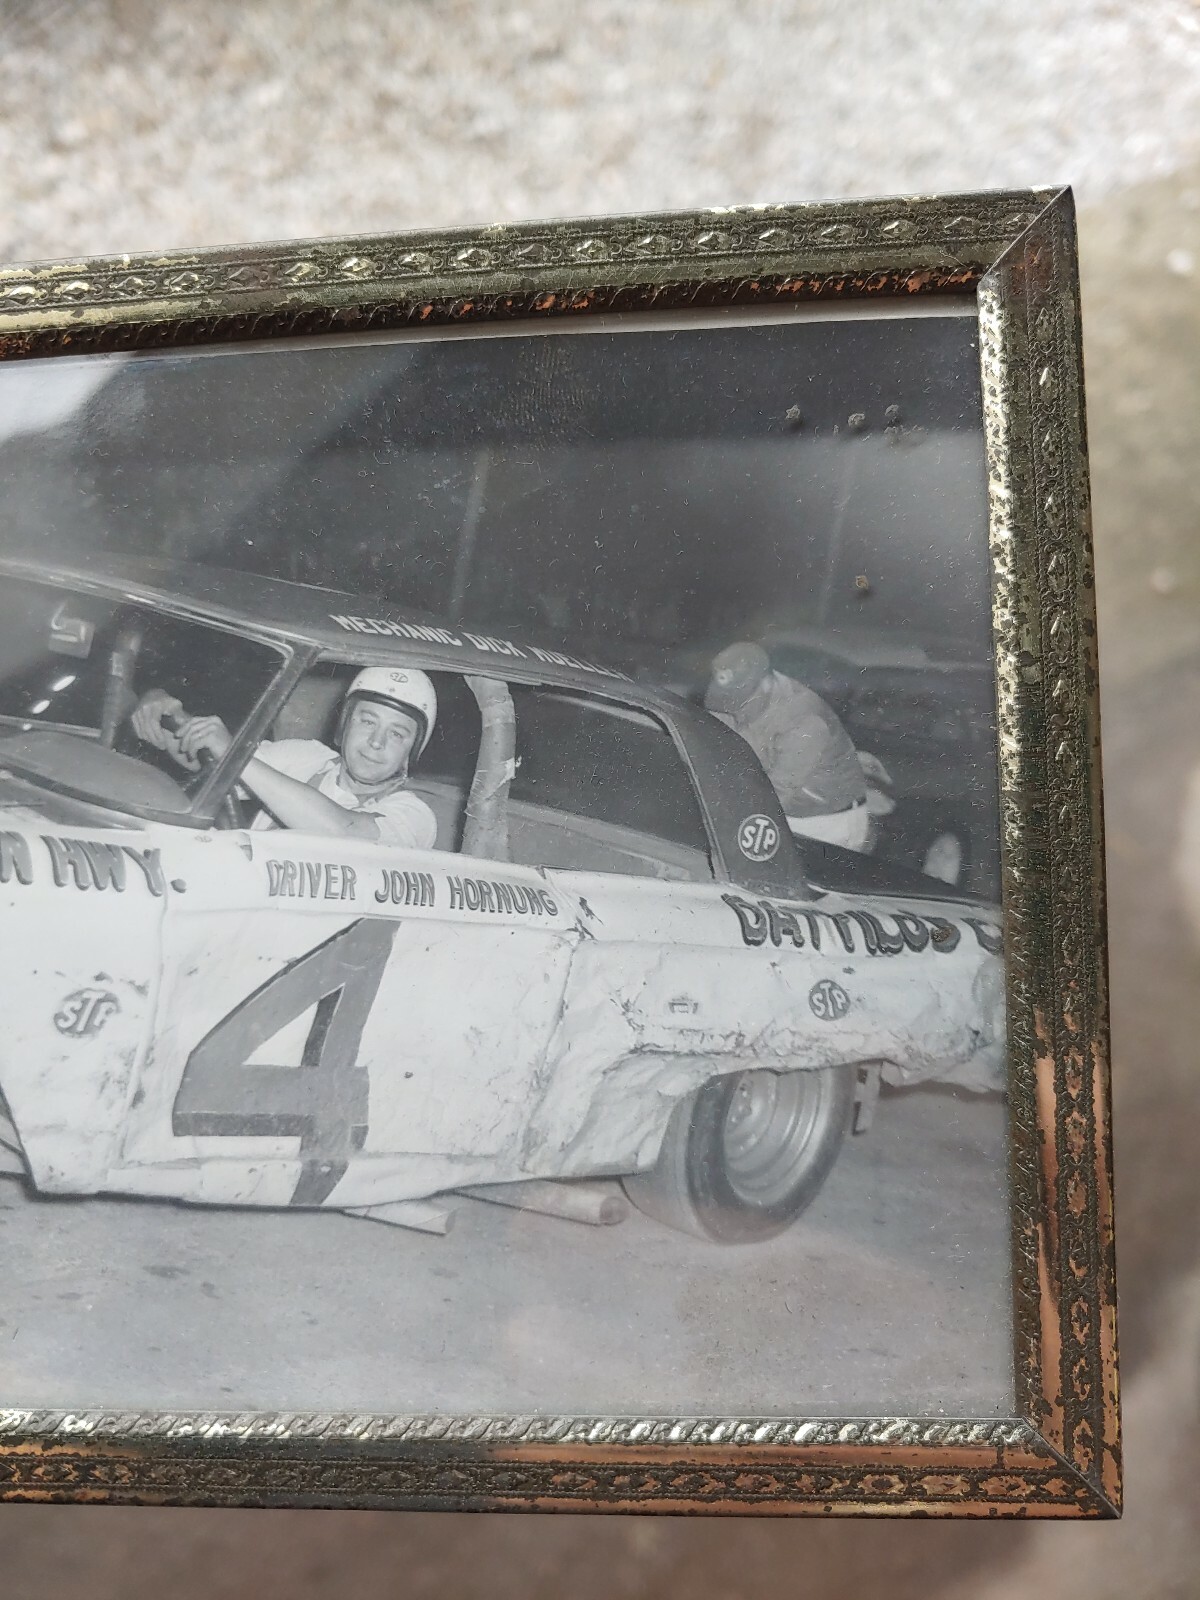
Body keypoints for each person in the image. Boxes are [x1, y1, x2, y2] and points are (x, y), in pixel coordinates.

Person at [130, 666, 439, 849]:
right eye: (367, 721)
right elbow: (202, 760)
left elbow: (348, 831)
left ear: (411, 752)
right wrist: (161, 706)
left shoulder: (414, 814)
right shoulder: (307, 757)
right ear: (345, 725)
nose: (376, 742)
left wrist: (236, 754)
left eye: (397, 734)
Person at [705, 641, 871, 851]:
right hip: (783, 805)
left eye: (741, 700)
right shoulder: (739, 698)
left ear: (767, 683)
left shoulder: (804, 722)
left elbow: (776, 795)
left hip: (824, 823)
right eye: (728, 698)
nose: (733, 708)